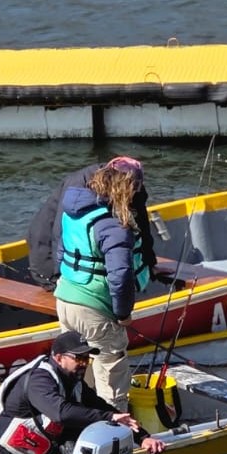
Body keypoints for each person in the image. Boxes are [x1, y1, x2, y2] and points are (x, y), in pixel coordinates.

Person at [52, 157, 156, 412]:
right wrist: (123, 314)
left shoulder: (74, 211)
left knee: (78, 370)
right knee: (111, 375)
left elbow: (60, 253)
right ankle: (116, 432)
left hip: (65, 299)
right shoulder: (114, 225)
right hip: (96, 309)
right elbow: (120, 276)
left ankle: (80, 421)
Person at [0, 331, 164, 454]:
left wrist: (142, 437)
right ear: (58, 358)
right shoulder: (39, 381)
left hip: (32, 452)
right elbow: (60, 413)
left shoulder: (74, 379)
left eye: (87, 360)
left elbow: (101, 406)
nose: (84, 365)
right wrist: (109, 417)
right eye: (79, 359)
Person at [27, 158, 157, 290]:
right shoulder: (78, 186)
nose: (132, 194)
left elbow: (143, 225)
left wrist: (151, 263)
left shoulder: (133, 184)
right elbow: (60, 233)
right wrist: (60, 276)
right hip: (46, 254)